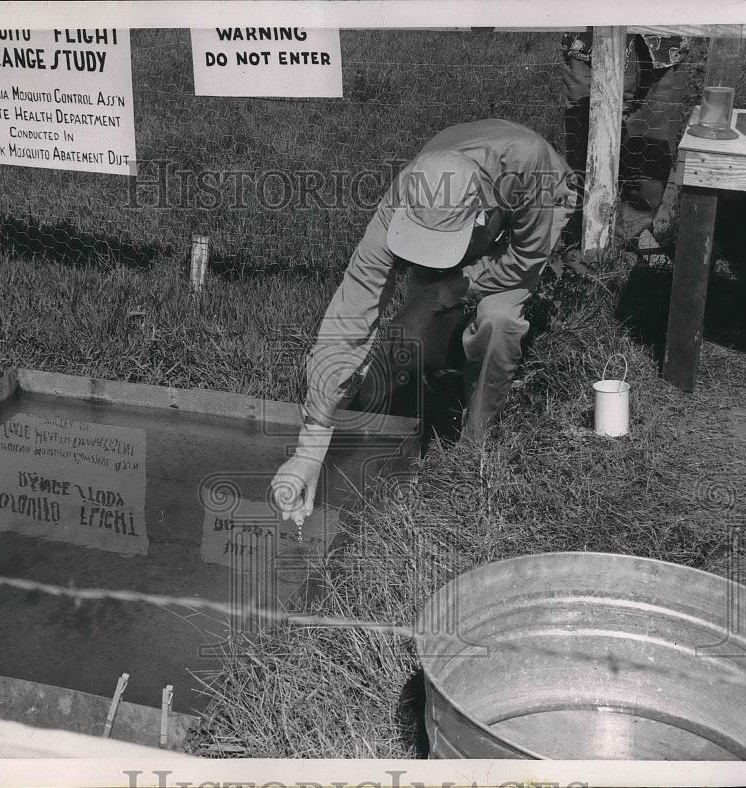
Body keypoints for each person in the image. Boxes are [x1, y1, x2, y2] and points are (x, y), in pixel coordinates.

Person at [271, 119, 577, 524]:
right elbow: (351, 313)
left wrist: (449, 292)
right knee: (412, 340)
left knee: (498, 320)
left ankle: (473, 448)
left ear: (481, 220)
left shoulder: (531, 166)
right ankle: (420, 395)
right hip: (460, 209)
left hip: (532, 198)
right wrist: (308, 450)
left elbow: (525, 262)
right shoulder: (407, 192)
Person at [560, 31, 690, 244]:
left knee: (652, 143)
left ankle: (631, 235)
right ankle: (584, 235)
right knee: (587, 145)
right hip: (591, 33)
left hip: (662, 36)